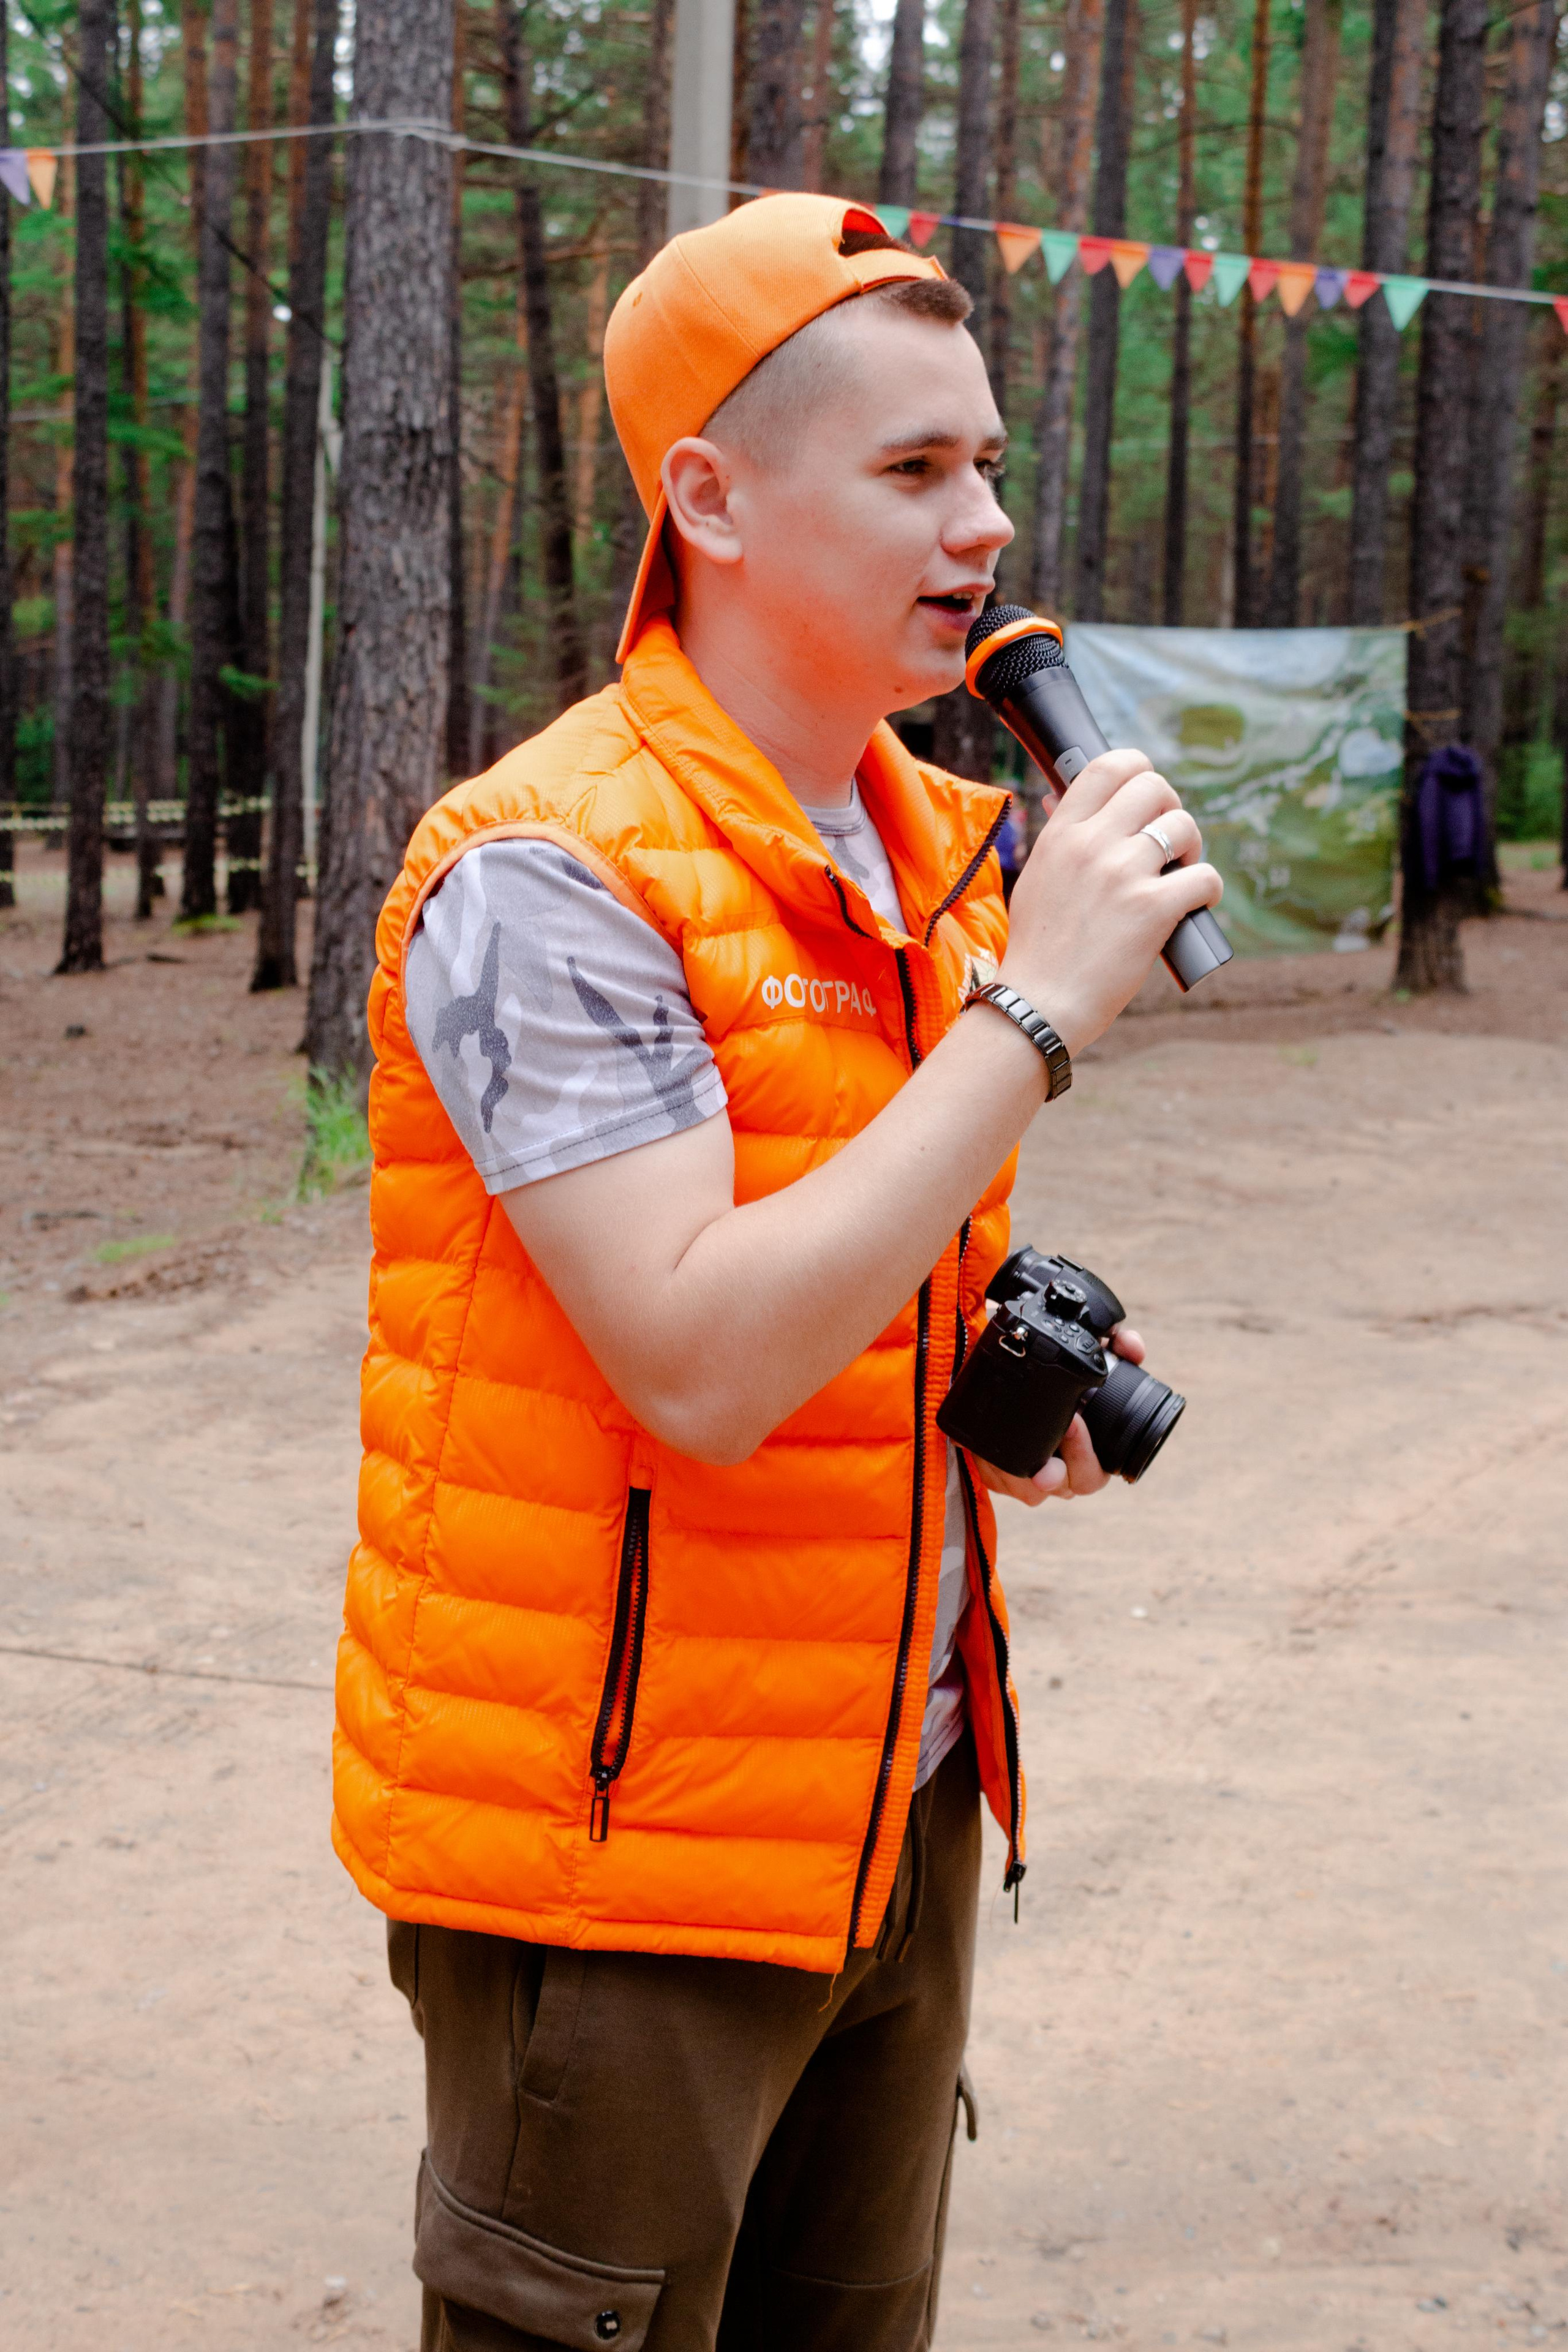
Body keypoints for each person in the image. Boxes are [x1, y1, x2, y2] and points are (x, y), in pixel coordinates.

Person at [331, 193, 1221, 2352]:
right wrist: (1037, 1015)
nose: (984, 524)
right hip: (626, 1850)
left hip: (899, 1798)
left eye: (988, 463)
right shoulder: (547, 870)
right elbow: (701, 1360)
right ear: (710, 501)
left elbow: (857, 1247)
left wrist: (989, 1380)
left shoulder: (931, 851)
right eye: (913, 468)